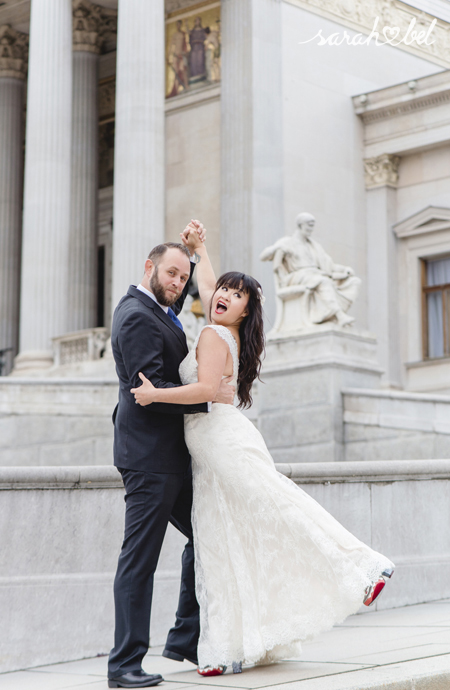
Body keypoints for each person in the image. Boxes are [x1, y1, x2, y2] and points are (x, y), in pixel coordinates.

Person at [131, 222, 395, 676]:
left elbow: (207, 390)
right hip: (210, 446)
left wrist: (155, 395)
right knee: (221, 540)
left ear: (243, 313)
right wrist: (201, 250)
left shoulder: (215, 335)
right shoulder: (222, 325)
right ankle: (225, 647)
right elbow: (212, 286)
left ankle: (363, 566)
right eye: (225, 291)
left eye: (237, 297)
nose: (224, 295)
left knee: (277, 505)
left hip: (221, 440)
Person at [108, 238, 235, 689]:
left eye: (183, 277)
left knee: (207, 534)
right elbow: (150, 392)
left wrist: (195, 252)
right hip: (149, 458)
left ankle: (185, 637)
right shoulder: (137, 317)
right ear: (149, 268)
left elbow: (182, 295)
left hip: (170, 456)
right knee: (138, 561)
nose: (178, 284)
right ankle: (124, 665)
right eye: (171, 275)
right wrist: (207, 397)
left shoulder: (157, 308)